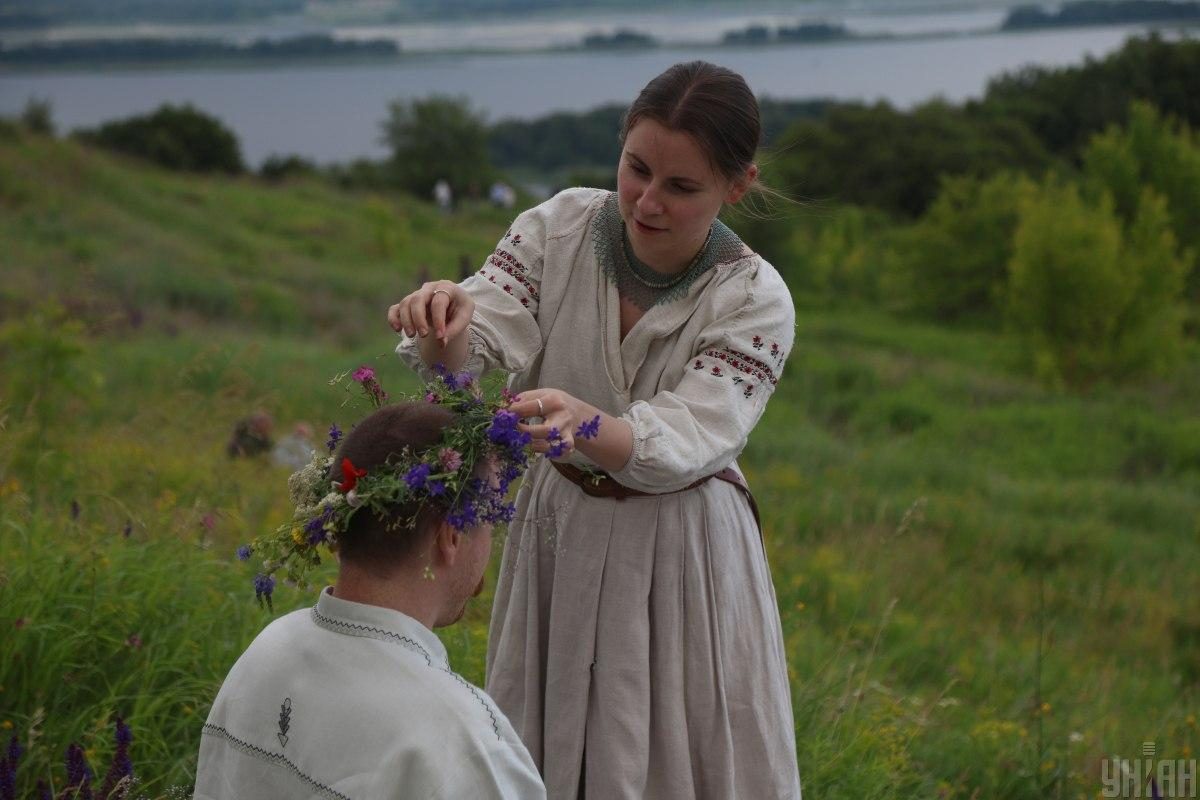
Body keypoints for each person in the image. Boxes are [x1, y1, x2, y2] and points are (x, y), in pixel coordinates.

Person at [390, 61, 802, 798]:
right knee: (544, 753)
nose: (646, 201)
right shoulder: (560, 228)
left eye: (681, 187)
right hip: (561, 526)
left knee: (678, 753)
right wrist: (445, 317)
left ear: (736, 186)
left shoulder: (753, 299)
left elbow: (689, 434)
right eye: (636, 168)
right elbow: (479, 345)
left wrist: (589, 425)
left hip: (681, 548)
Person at [195, 403, 546, 799]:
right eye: (489, 521)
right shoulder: (460, 740)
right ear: (450, 536)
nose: (489, 546)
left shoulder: (267, 650)